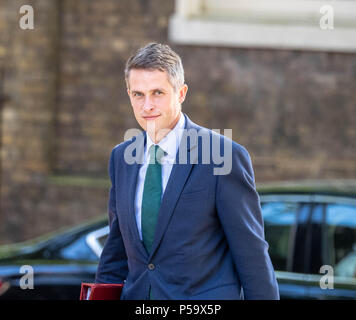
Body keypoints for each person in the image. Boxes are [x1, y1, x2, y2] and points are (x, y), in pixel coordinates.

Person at [95, 43, 279, 300]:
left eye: (157, 92)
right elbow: (115, 254)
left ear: (181, 93)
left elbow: (252, 257)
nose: (147, 105)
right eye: (138, 94)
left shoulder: (222, 155)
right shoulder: (122, 158)